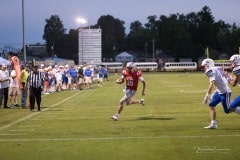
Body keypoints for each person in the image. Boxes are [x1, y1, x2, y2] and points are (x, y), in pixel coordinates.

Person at [201, 58, 233, 129]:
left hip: (225, 92)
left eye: (203, 67)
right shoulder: (217, 68)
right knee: (211, 105)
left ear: (208, 65)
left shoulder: (210, 70)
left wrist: (207, 96)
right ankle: (213, 124)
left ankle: (236, 107)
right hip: (218, 91)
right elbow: (225, 77)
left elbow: (211, 84)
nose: (203, 69)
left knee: (227, 110)